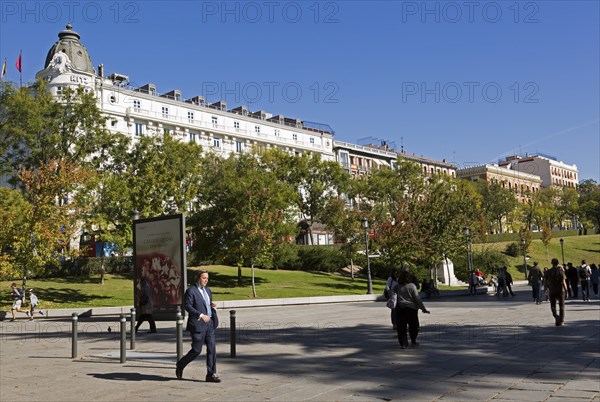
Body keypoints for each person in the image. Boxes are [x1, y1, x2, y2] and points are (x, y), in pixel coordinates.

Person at [176, 270, 221, 382]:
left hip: (209, 324)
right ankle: (181, 364)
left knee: (212, 348)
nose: (206, 280)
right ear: (197, 278)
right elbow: (188, 306)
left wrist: (212, 307)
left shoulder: (208, 291)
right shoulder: (191, 291)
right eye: (204, 278)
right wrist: (200, 315)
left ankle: (211, 374)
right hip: (197, 324)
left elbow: (207, 304)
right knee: (196, 350)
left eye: (207, 278)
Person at [392, 271, 430, 349]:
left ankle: (403, 343)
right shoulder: (412, 286)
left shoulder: (397, 286)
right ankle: (413, 341)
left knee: (401, 327)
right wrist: (423, 309)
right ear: (409, 278)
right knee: (413, 326)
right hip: (411, 309)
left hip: (400, 308)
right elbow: (417, 298)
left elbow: (391, 293)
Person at [544, 258, 568, 326]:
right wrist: (566, 291)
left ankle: (556, 316)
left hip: (552, 290)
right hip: (560, 290)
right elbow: (564, 282)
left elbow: (545, 281)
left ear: (551, 263)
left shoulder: (548, 271)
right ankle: (561, 320)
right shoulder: (561, 271)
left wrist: (545, 289)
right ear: (558, 263)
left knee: (553, 305)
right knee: (561, 306)